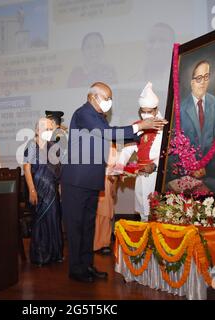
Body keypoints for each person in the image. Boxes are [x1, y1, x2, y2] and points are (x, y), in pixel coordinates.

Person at [61, 82, 168, 282]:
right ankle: (76, 270)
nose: (110, 102)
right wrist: (139, 126)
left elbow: (111, 137)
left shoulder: (98, 117)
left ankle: (87, 266)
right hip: (76, 181)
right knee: (76, 228)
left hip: (91, 180)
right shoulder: (84, 113)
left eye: (111, 98)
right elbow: (109, 133)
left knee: (88, 227)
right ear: (93, 97)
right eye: (106, 98)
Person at [168, 60, 215, 193]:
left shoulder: (212, 100)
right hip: (188, 164)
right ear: (191, 82)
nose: (204, 82)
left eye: (206, 77)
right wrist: (192, 166)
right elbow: (175, 147)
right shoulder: (181, 109)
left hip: (210, 160)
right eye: (199, 78)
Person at [117, 82, 164, 221]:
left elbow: (168, 154)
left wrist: (154, 165)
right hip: (141, 175)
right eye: (143, 111)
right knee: (143, 213)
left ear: (156, 110)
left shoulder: (164, 127)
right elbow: (127, 149)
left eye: (149, 111)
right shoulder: (138, 126)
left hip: (157, 175)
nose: (145, 115)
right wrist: (119, 167)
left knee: (158, 212)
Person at [23, 118, 63, 266]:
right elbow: (26, 169)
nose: (49, 131)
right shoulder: (31, 146)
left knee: (54, 220)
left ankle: (55, 254)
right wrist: (32, 190)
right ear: (37, 130)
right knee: (40, 222)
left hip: (52, 190)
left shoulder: (54, 147)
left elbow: (59, 171)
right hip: (38, 189)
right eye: (46, 128)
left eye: (50, 129)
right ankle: (40, 255)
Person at [93, 143, 118, 256]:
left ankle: (104, 243)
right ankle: (94, 244)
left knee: (106, 215)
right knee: (96, 214)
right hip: (95, 182)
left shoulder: (113, 148)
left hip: (108, 184)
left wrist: (114, 184)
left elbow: (116, 169)